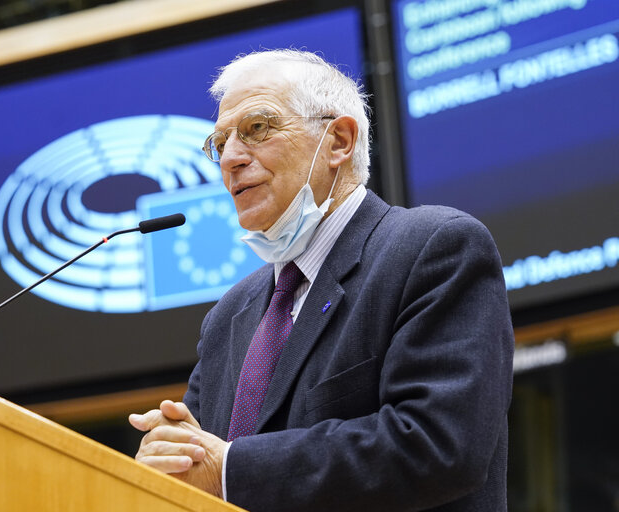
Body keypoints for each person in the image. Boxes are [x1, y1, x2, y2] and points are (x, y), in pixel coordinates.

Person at [129, 49, 514, 512]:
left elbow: (437, 443)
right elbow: (204, 468)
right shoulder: (229, 316)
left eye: (257, 129)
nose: (230, 159)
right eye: (219, 142)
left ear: (338, 141)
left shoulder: (433, 248)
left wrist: (230, 469)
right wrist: (172, 461)